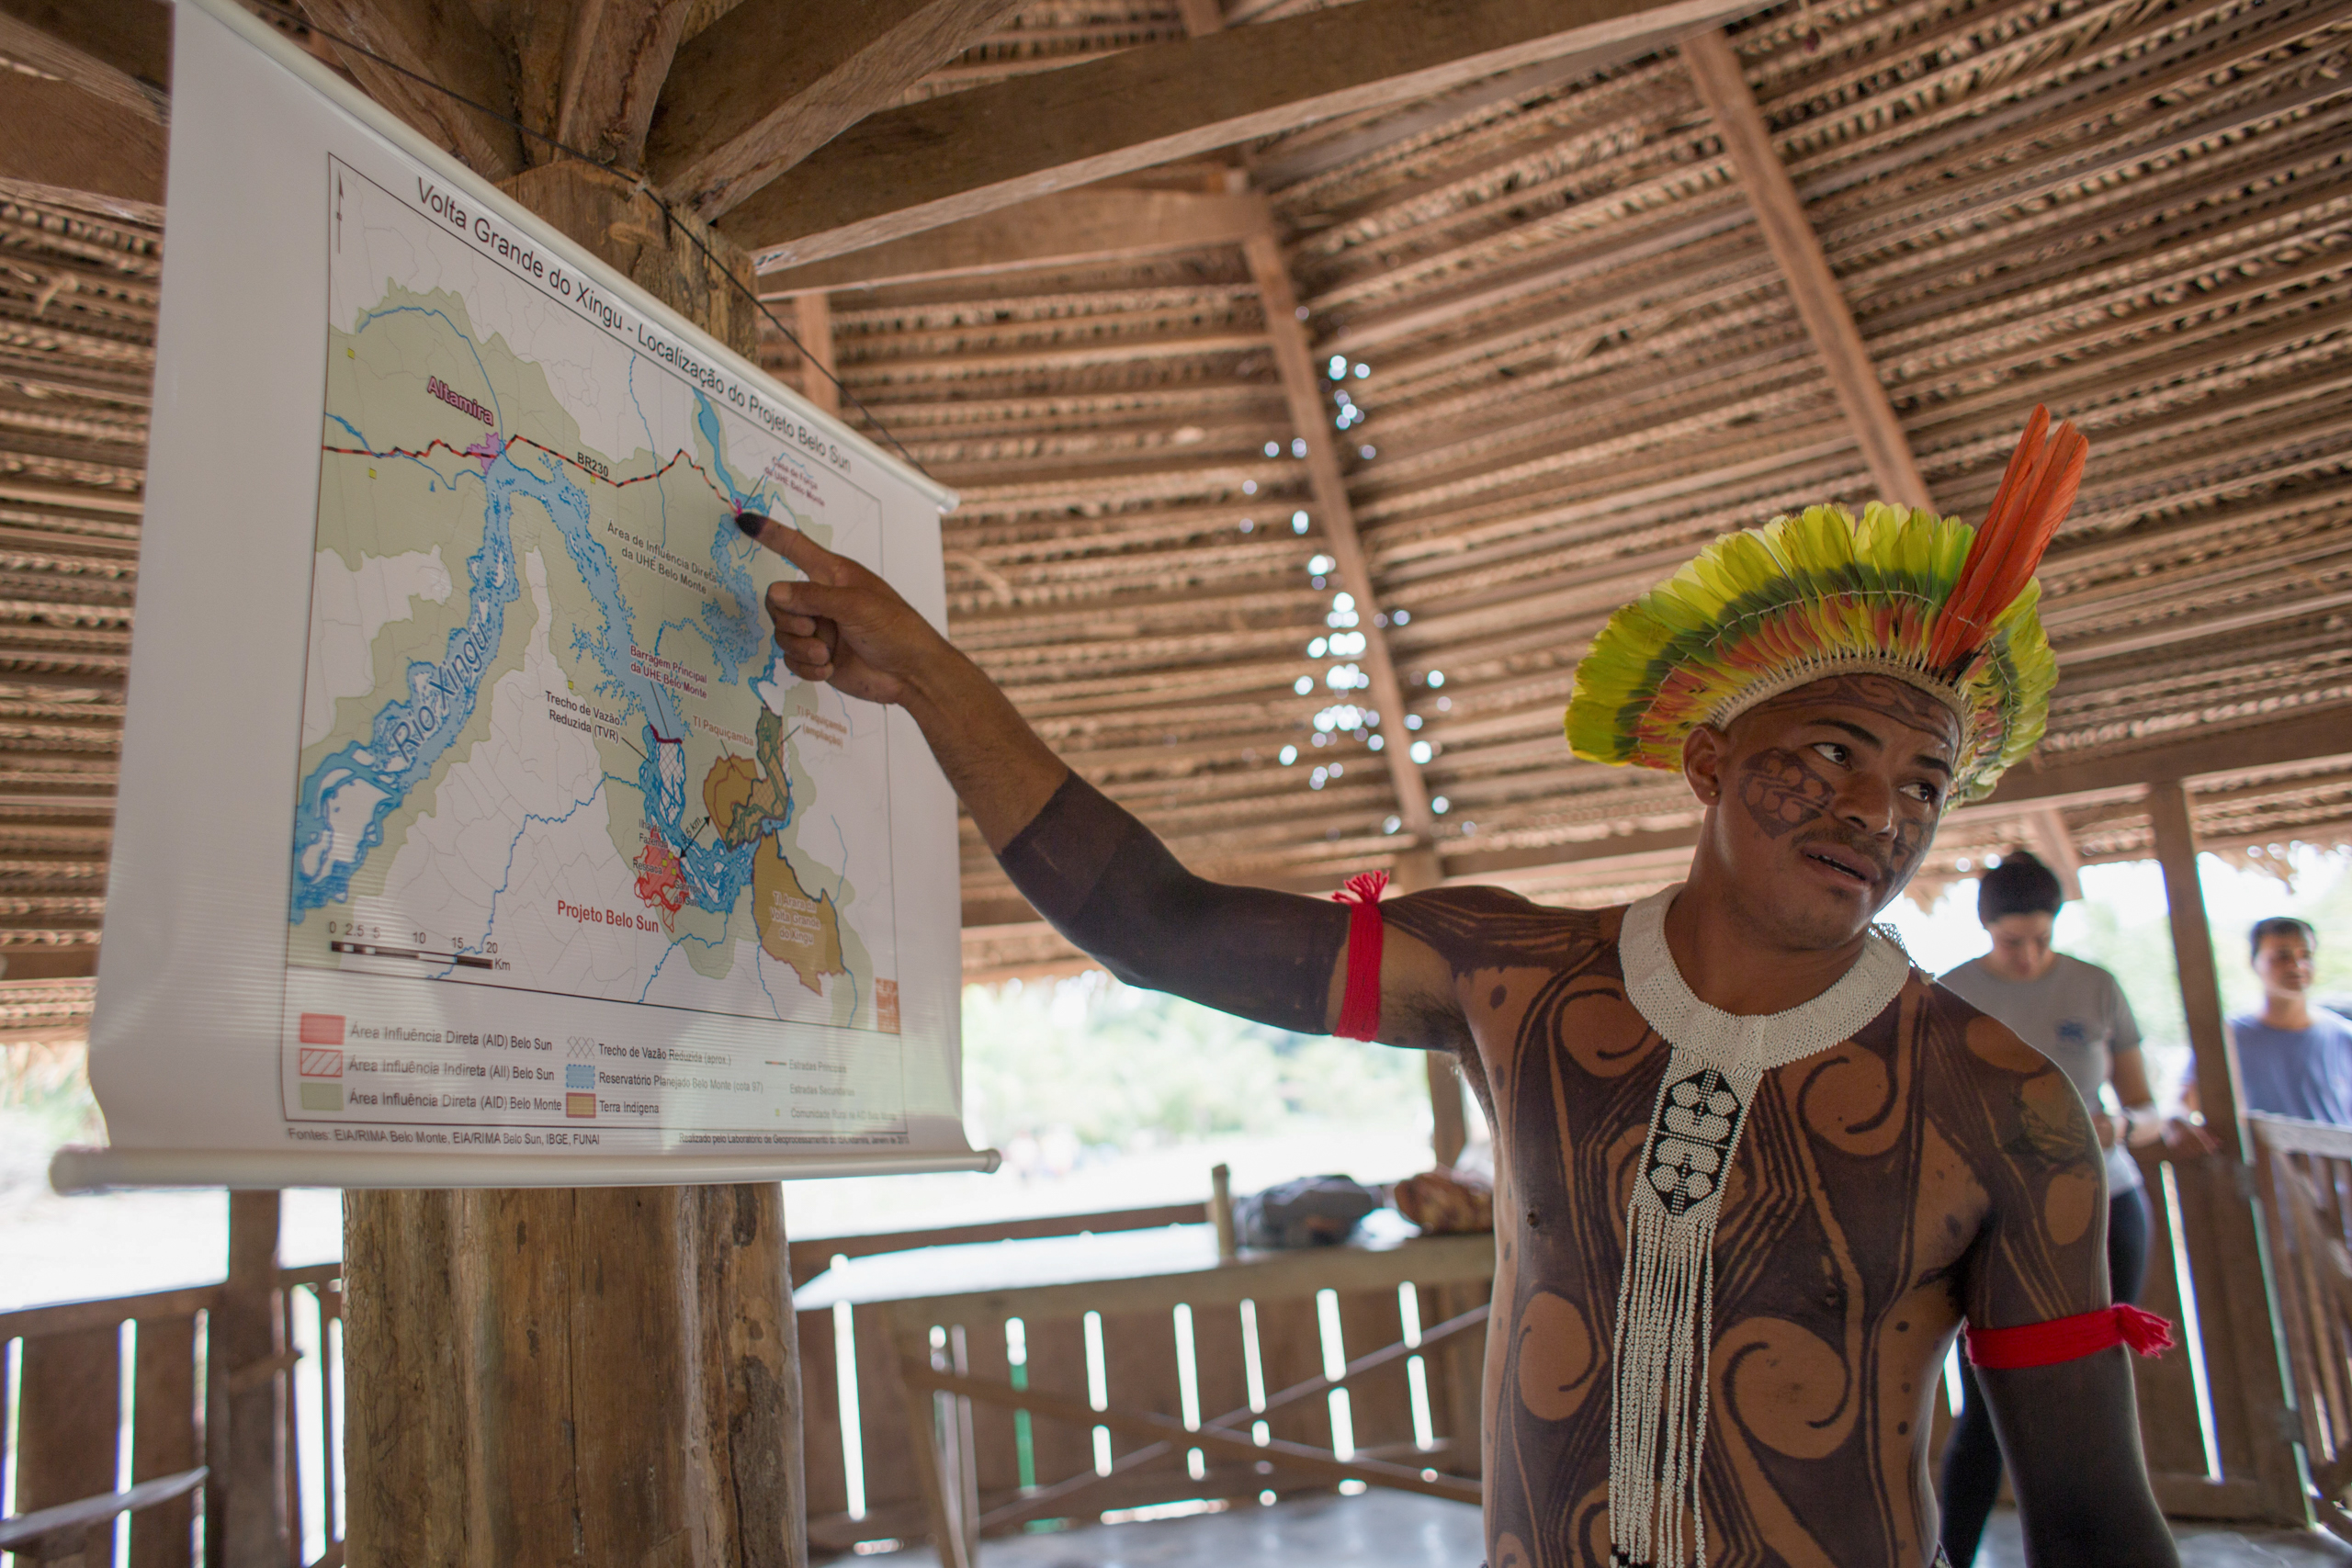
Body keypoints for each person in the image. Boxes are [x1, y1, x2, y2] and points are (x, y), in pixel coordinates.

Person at [749, 407, 2177, 1564]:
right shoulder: (1516, 974)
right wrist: (928, 674)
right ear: (1707, 758)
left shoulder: (2007, 1106)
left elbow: (2099, 1524)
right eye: (1834, 750)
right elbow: (1155, 922)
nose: (1879, 810)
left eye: (1924, 781)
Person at [1935, 850, 2213, 1565]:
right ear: (1985, 930)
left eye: (2040, 938)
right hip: (1995, 1221)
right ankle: (1948, 1555)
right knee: (1990, 1408)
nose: (2027, 956)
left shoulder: (2096, 988)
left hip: (2105, 1204)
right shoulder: (1950, 994)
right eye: (2009, 941)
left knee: (2096, 1407)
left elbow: (2145, 1108)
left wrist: (2127, 1126)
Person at [2183, 917, 2352, 1124]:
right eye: (2282, 956)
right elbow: (2183, 1104)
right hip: (2258, 1157)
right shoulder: (2228, 1036)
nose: (2297, 966)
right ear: (2254, 963)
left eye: (2306, 955)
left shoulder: (2344, 1036)